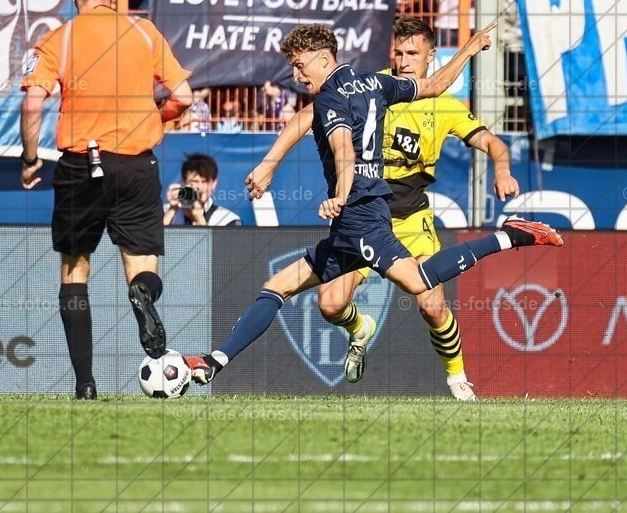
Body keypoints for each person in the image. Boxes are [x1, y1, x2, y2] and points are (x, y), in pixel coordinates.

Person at [183, 22, 563, 388]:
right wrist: (467, 51)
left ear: (322, 59)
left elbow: (344, 150)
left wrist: (339, 196)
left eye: (299, 66)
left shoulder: (331, 97)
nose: (296, 77)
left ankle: (510, 236)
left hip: (361, 214)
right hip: (356, 217)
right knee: (279, 287)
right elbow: (434, 84)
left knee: (420, 283)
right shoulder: (374, 82)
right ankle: (214, 361)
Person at [19, 0, 193, 400]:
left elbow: (33, 102)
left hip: (80, 165)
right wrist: (158, 114)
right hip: (136, 164)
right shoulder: (143, 31)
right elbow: (184, 95)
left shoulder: (61, 37)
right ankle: (143, 296)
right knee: (142, 266)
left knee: (75, 271)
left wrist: (30, 156)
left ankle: (85, 383)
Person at [164, 153, 242, 227]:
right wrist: (172, 209)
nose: (199, 188)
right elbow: (155, 239)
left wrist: (198, 218)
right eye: (194, 182)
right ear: (183, 181)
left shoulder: (226, 219)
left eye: (204, 182)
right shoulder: (166, 212)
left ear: (214, 183)